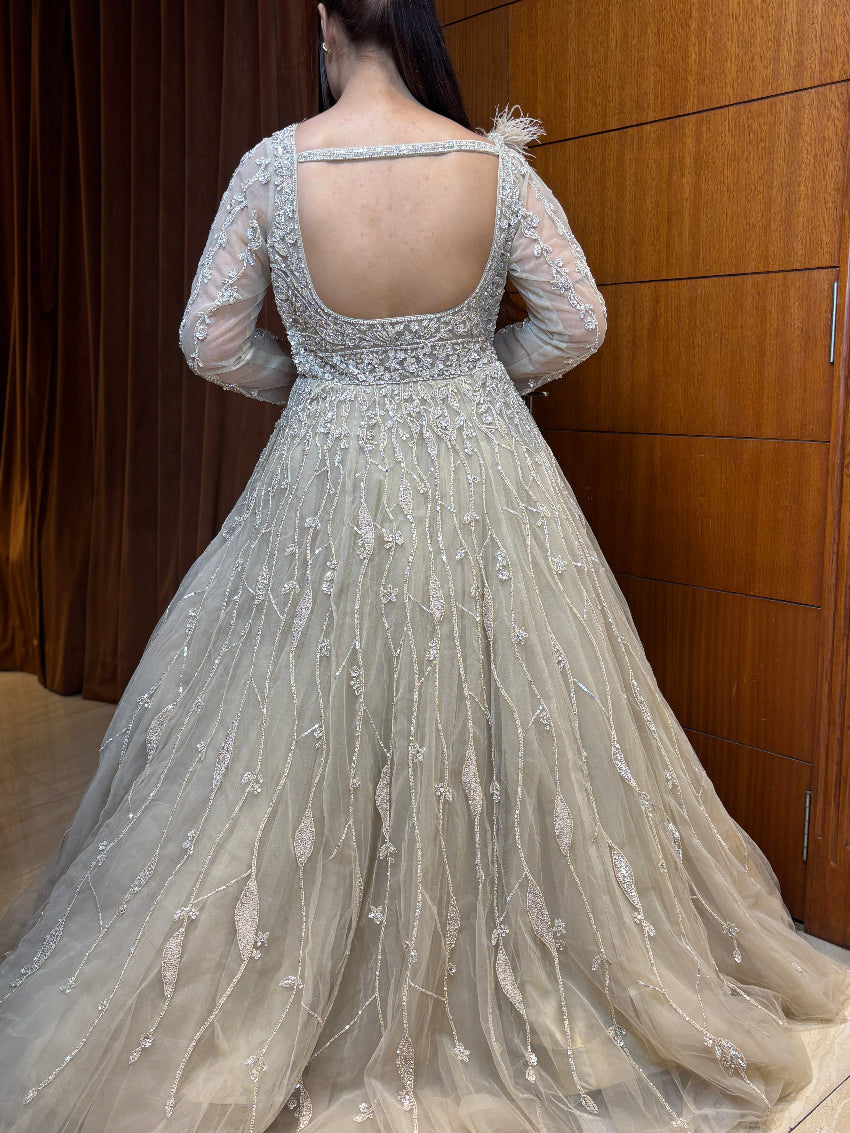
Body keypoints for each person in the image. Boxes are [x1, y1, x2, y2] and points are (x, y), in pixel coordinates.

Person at [1, 1, 848, 1130]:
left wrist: (316, 385)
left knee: (300, 719)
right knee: (507, 712)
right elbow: (577, 319)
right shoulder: (491, 168)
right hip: (480, 461)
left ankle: (315, 973)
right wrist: (476, 369)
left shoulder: (270, 168)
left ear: (322, 22)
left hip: (327, 463)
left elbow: (208, 338)